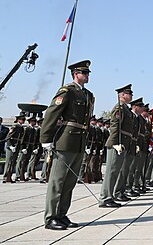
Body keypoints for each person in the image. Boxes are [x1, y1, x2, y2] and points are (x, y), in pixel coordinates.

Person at [40, 60, 95, 230]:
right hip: (65, 140)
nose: (86, 76)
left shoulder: (88, 95)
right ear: (75, 74)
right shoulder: (67, 91)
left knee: (70, 182)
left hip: (79, 141)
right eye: (83, 73)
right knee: (58, 181)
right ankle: (51, 217)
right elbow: (52, 114)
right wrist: (46, 139)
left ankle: (62, 214)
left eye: (87, 73)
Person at [99, 84, 135, 208]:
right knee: (112, 171)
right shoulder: (119, 108)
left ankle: (111, 196)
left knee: (116, 171)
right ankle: (105, 198)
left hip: (122, 143)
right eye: (129, 93)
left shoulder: (126, 109)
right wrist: (115, 143)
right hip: (117, 143)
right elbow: (115, 126)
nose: (131, 96)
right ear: (122, 95)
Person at [3, 115, 26, 183]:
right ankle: (5, 176)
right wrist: (10, 146)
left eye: (23, 120)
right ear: (18, 120)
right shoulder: (15, 126)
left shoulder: (21, 127)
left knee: (13, 162)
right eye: (22, 120)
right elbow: (8, 137)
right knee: (9, 162)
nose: (23, 121)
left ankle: (9, 176)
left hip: (17, 146)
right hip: (11, 147)